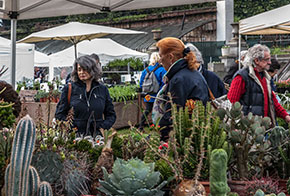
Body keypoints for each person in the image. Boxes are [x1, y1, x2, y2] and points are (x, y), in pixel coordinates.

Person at [154, 37, 209, 141]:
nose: (160, 61)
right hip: (198, 132)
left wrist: (161, 136)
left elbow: (173, 114)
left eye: (161, 56)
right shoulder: (193, 72)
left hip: (185, 138)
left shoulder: (178, 79)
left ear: (170, 57)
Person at [227, 44, 290, 126]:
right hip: (247, 128)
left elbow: (272, 101)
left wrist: (285, 116)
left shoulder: (264, 77)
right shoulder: (241, 77)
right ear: (257, 61)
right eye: (267, 59)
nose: (270, 63)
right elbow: (231, 103)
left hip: (261, 127)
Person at [55, 55, 116, 137]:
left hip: (97, 138)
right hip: (74, 138)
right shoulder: (69, 89)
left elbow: (111, 115)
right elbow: (59, 114)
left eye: (85, 69)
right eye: (79, 70)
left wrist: (102, 127)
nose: (81, 72)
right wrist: (71, 128)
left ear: (93, 70)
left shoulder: (102, 89)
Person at [139, 52, 167, 131]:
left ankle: (141, 126)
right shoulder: (162, 70)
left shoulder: (146, 70)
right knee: (161, 110)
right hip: (158, 95)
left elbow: (141, 83)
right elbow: (164, 83)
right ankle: (160, 125)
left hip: (148, 95)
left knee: (147, 110)